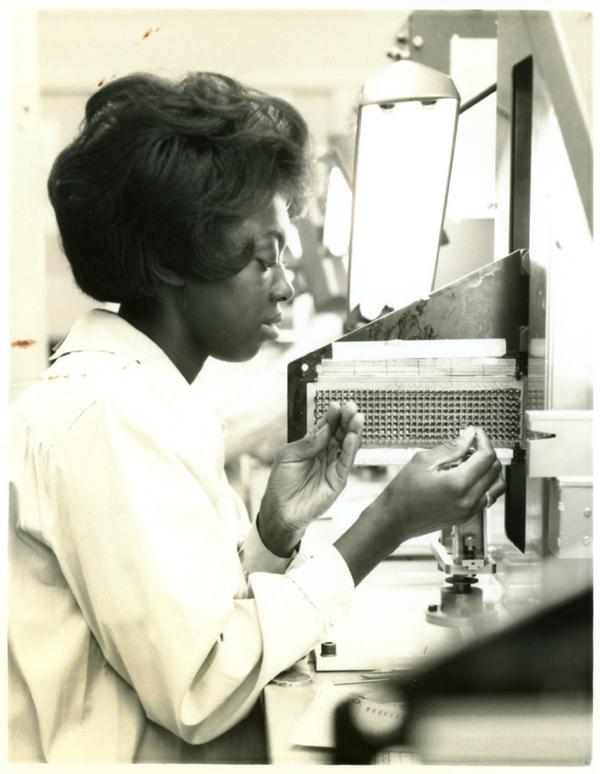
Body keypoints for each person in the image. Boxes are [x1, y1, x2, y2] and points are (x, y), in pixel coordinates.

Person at [8, 72, 506, 764]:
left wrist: (274, 532)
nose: (287, 284)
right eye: (264, 258)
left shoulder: (139, 397)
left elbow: (191, 618)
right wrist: (385, 523)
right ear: (173, 259)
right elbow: (202, 687)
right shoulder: (109, 417)